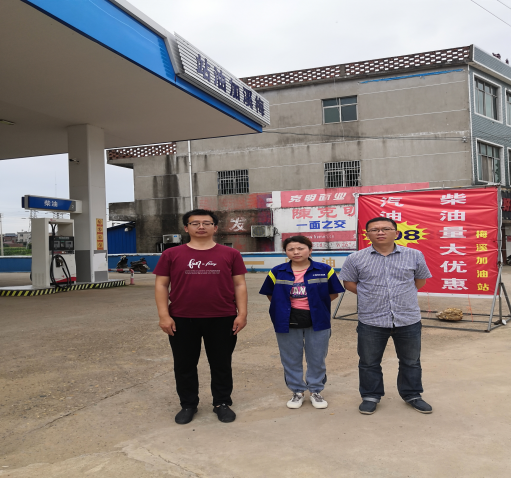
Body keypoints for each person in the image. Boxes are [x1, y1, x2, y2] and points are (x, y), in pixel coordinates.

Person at [154, 209, 248, 425]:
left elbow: (239, 284)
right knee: (184, 365)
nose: (201, 227)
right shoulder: (171, 254)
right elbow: (161, 285)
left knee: (221, 363)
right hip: (181, 318)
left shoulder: (230, 254)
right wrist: (164, 315)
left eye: (206, 223)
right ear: (186, 228)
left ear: (215, 227)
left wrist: (242, 313)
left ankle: (222, 403)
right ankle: (188, 404)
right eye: (195, 223)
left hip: (222, 316)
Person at [339, 217, 433, 415]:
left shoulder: (414, 255)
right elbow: (349, 283)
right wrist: (370, 295)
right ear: (367, 234)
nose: (380, 232)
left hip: (407, 318)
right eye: (374, 229)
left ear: (396, 233)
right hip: (371, 319)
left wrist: (401, 295)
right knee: (369, 362)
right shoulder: (355, 258)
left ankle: (412, 395)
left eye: (385, 229)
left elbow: (420, 280)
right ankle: (370, 396)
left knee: (411, 361)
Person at [259, 235, 344, 409]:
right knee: (290, 358)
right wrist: (284, 308)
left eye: (300, 248)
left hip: (318, 320)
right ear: (285, 252)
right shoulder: (277, 271)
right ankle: (297, 391)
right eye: (291, 249)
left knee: (317, 357)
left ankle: (315, 391)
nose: (296, 252)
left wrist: (316, 306)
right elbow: (270, 294)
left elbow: (333, 293)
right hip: (286, 321)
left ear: (310, 250)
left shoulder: (324, 270)